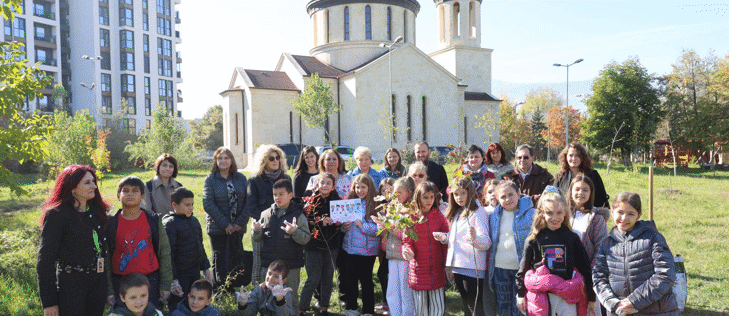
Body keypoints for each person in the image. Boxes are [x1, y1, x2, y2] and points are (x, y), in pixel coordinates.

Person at [37, 165, 110, 316]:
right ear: (72, 187)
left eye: (93, 181)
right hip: (71, 287)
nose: (94, 186)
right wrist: (49, 302)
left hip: (98, 284)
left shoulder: (96, 212)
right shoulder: (58, 214)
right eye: (87, 183)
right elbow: (45, 261)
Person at [592, 192, 679, 316]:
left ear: (639, 215)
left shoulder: (653, 238)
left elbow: (665, 274)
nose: (624, 218)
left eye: (631, 214)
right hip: (620, 311)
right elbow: (599, 278)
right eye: (620, 212)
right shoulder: (606, 244)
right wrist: (614, 304)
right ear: (612, 212)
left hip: (656, 311)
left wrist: (634, 302)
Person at [515, 187, 595, 316]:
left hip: (567, 298)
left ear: (565, 213)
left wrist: (591, 297)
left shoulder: (572, 238)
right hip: (541, 299)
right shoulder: (533, 240)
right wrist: (520, 294)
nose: (555, 217)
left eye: (559, 213)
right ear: (542, 213)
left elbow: (585, 268)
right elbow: (522, 271)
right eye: (550, 213)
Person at [105, 176, 172, 310]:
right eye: (126, 190)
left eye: (135, 191)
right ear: (118, 195)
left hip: (150, 281)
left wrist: (165, 285)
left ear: (142, 196)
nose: (130, 194)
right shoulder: (110, 223)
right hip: (121, 282)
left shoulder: (153, 220)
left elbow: (164, 251)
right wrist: (109, 291)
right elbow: (105, 258)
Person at [434, 177, 490, 316]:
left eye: (463, 193)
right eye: (456, 194)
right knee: (467, 306)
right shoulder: (458, 212)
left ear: (470, 192)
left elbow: (486, 242)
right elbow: (457, 237)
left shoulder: (478, 212)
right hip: (459, 265)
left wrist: (475, 238)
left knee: (475, 307)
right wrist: (445, 238)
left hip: (472, 268)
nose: (459, 197)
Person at [252, 179, 310, 309]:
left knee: (291, 298)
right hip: (269, 266)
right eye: (275, 194)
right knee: (267, 298)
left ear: (290, 195)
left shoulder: (298, 215)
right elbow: (258, 239)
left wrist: (295, 232)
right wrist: (256, 231)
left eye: (281, 194)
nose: (277, 197)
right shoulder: (265, 214)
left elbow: (306, 239)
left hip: (291, 266)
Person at [202, 147, 248, 289]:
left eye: (226, 158)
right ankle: (219, 288)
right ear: (215, 161)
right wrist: (226, 225)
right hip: (218, 228)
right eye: (220, 158)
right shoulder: (210, 179)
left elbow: (249, 201)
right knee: (219, 258)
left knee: (235, 256)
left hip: (237, 228)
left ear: (231, 160)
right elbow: (208, 203)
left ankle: (233, 285)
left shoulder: (241, 178)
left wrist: (239, 223)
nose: (223, 161)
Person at [246, 145, 292, 285]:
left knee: (281, 261)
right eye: (271, 158)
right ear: (264, 160)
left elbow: (291, 202)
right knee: (259, 260)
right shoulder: (254, 180)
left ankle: (281, 293)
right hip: (261, 225)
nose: (275, 160)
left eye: (278, 157)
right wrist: (265, 222)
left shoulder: (286, 177)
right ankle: (257, 290)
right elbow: (251, 206)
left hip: (282, 225)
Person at [402, 182, 450, 316]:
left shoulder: (440, 217)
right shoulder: (412, 218)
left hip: (436, 268)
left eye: (432, 197)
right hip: (418, 269)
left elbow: (447, 240)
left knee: (438, 307)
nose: (429, 200)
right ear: (418, 198)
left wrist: (444, 238)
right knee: (420, 308)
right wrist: (407, 251)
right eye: (425, 197)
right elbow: (406, 241)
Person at [487, 180, 534, 316]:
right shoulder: (494, 216)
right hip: (500, 269)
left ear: (518, 194)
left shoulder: (531, 214)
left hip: (521, 269)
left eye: (511, 194)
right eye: (503, 196)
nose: (507, 199)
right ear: (497, 199)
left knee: (520, 307)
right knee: (503, 306)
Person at [163, 187, 213, 314]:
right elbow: (168, 255)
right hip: (180, 275)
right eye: (186, 205)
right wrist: (173, 280)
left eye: (192, 204)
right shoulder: (170, 224)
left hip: (194, 272)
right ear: (174, 205)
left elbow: (200, 246)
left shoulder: (194, 221)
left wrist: (206, 268)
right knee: (178, 304)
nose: (190, 208)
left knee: (194, 303)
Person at [299, 173, 342, 316]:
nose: (325, 186)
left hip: (332, 245)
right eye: (322, 183)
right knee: (313, 278)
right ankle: (302, 308)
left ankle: (324, 307)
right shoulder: (310, 202)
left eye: (328, 183)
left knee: (328, 277)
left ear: (333, 186)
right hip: (314, 245)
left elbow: (341, 221)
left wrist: (340, 223)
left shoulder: (338, 201)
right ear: (317, 185)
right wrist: (319, 222)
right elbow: (305, 221)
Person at [341, 174, 380, 316]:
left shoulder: (375, 204)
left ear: (369, 188)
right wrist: (343, 227)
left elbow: (379, 229)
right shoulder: (350, 202)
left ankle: (368, 310)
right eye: (357, 187)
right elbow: (342, 223)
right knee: (350, 280)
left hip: (367, 251)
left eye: (363, 187)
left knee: (366, 281)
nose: (360, 190)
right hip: (350, 248)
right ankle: (352, 308)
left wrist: (363, 226)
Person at [382, 176, 416, 316]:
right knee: (392, 288)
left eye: (399, 192)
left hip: (404, 256)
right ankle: (395, 313)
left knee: (405, 289)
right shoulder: (394, 207)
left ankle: (407, 313)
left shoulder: (412, 209)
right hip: (392, 254)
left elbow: (408, 235)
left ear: (409, 192)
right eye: (394, 192)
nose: (395, 196)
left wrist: (391, 227)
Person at [567, 175, 608, 266]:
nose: (580, 193)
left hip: (585, 271)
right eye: (577, 189)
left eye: (585, 190)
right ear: (570, 192)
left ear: (590, 193)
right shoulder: (561, 215)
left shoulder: (597, 219)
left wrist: (590, 273)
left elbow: (601, 249)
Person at [553, 143, 610, 208]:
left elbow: (602, 199)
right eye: (571, 155)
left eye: (577, 155)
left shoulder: (593, 175)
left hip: (590, 214)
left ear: (582, 157)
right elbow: (554, 199)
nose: (574, 158)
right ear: (566, 157)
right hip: (566, 215)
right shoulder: (560, 176)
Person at [375, 177, 396, 314]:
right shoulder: (380, 205)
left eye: (390, 190)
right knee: (384, 273)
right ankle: (387, 301)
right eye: (383, 190)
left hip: (394, 247)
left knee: (383, 273)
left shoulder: (396, 205)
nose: (386, 193)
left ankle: (390, 302)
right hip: (382, 246)